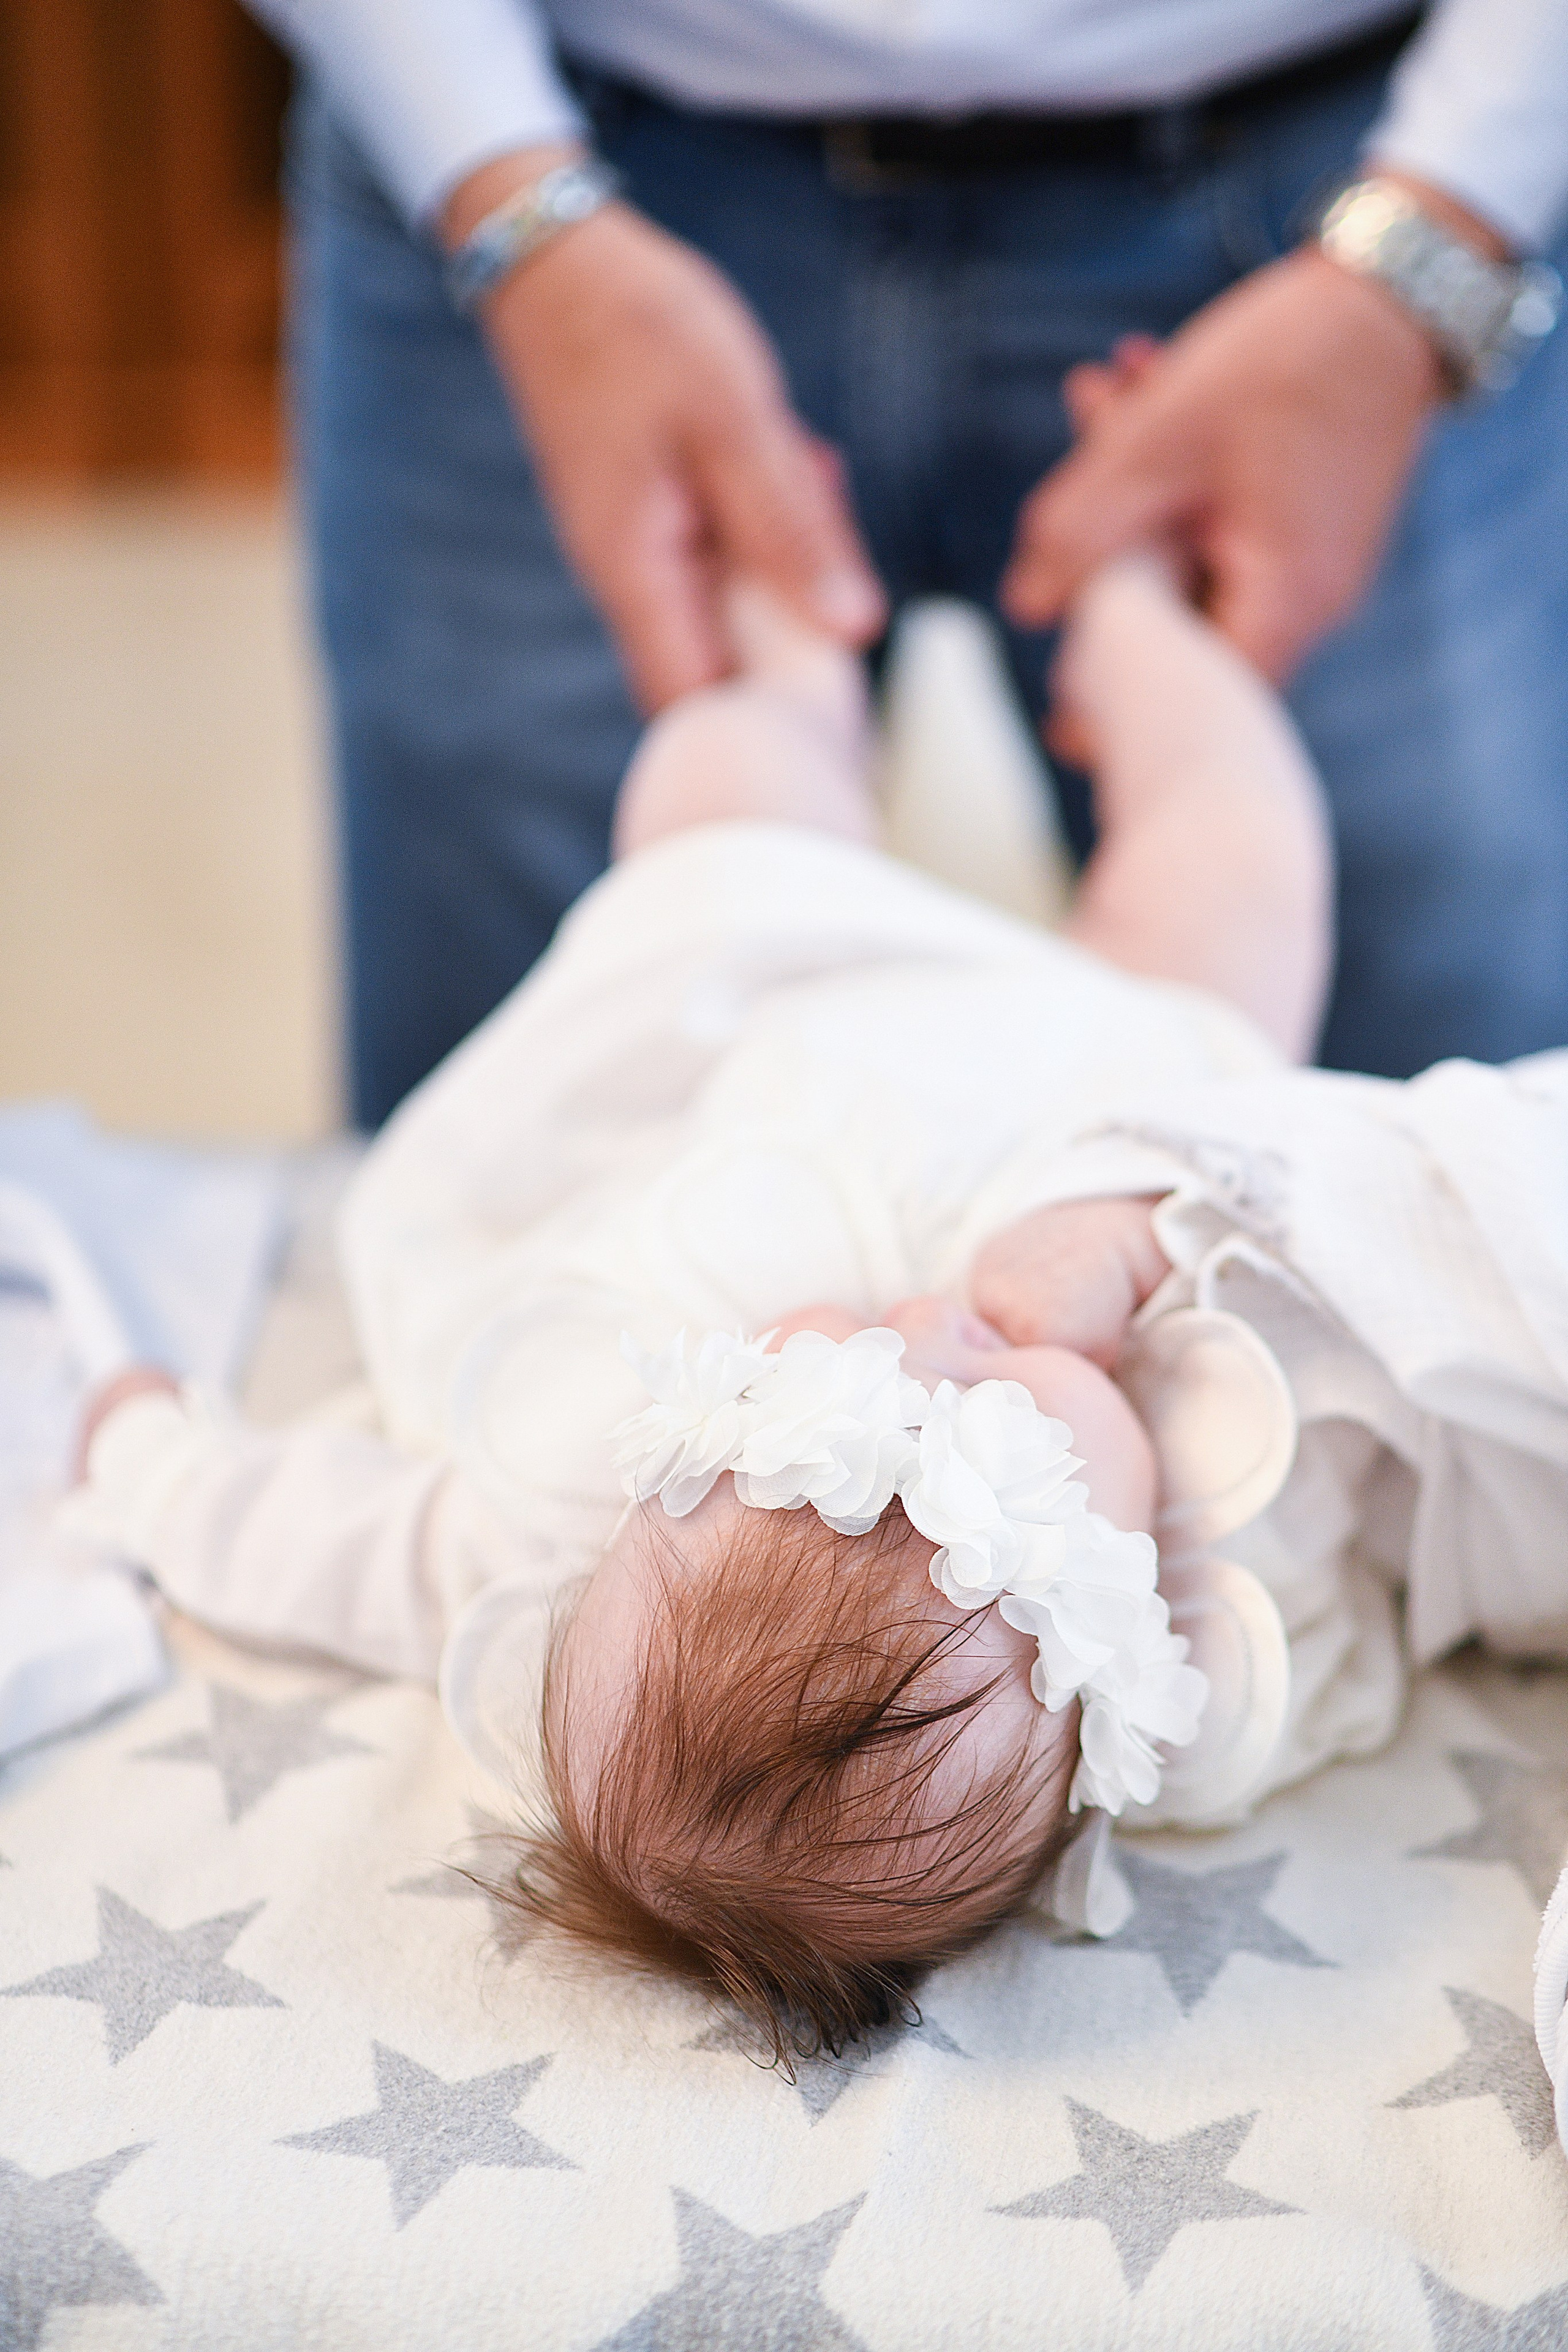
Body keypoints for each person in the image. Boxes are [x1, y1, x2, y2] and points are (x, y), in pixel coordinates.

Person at [68, 562, 1568, 2084]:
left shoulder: (564, 1493)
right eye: (1007, 1421)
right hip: (1138, 1064)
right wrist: (1138, 1223)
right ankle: (1136, 608)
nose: (930, 1323)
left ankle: (792, 648)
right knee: (1239, 861)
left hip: (802, 1006)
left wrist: (154, 1467)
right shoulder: (1237, 1600)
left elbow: (347, 1549)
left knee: (719, 807)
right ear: (1108, 1666)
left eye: (851, 1371)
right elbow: (1438, 1326)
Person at [256, 0, 1568, 1123]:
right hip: (553, 120)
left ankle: (810, 655)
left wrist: (1443, 224)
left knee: (694, 886)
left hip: (1342, 141)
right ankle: (1114, 627)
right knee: (1231, 909)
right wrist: (510, 199)